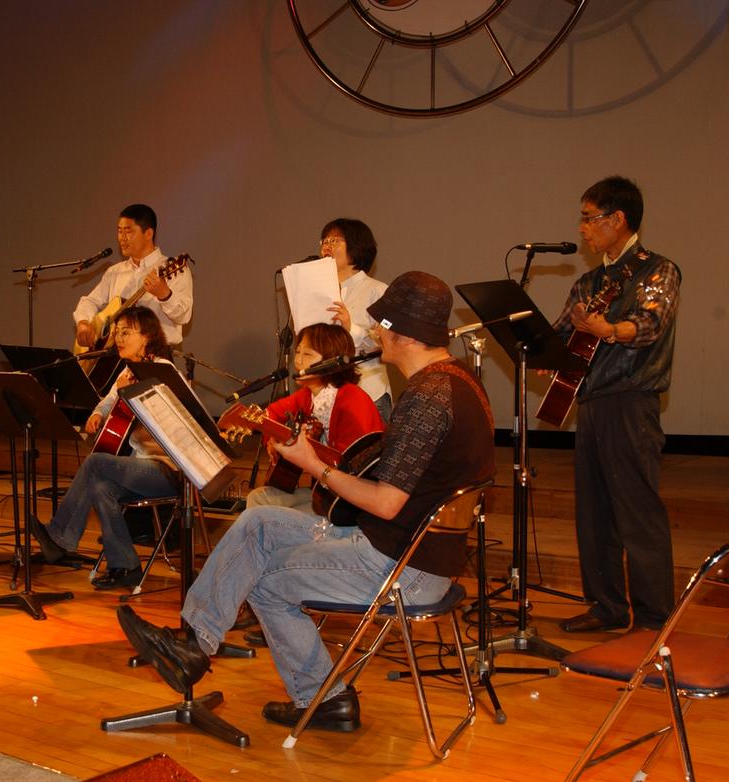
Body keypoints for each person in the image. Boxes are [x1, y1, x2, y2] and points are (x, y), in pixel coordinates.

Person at [117, 272, 496, 732]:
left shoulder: (425, 397)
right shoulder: (460, 382)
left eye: (380, 325)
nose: (374, 333)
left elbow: (386, 503)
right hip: (407, 550)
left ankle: (324, 698)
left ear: (404, 334)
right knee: (259, 523)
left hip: (405, 567)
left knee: (268, 582)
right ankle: (193, 642)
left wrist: (314, 465)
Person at [553, 176, 681, 634]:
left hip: (631, 401)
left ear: (618, 219)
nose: (583, 228)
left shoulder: (658, 270)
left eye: (590, 219)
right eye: (583, 219)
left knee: (637, 510)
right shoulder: (590, 281)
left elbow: (650, 325)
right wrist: (532, 342)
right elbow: (562, 334)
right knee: (595, 510)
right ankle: (607, 606)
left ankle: (652, 616)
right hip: (591, 403)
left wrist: (607, 329)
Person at [29, 307, 182, 590]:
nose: (119, 338)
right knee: (101, 487)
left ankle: (59, 537)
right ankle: (126, 565)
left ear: (146, 336)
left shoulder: (162, 369)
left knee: (97, 462)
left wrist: (128, 395)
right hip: (141, 466)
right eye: (117, 331)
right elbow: (107, 401)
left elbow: (167, 423)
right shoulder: (128, 370)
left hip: (168, 468)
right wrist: (97, 414)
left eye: (127, 332)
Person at [246, 322, 384, 512]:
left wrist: (307, 455)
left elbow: (353, 466)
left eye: (307, 354)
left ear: (331, 361)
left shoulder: (352, 400)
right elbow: (271, 414)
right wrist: (272, 440)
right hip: (326, 492)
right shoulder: (308, 395)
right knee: (259, 498)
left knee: (263, 513)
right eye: (299, 352)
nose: (298, 361)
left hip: (350, 504)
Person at [73, 204, 193, 351]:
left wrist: (164, 294)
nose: (122, 238)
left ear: (148, 233)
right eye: (119, 231)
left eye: (128, 231)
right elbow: (90, 301)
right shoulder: (115, 272)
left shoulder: (171, 268)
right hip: (115, 357)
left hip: (154, 356)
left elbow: (184, 317)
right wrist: (83, 323)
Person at [321, 218, 392, 421]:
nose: (327, 245)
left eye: (335, 240)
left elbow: (387, 341)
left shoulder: (378, 291)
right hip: (327, 394)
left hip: (368, 392)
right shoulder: (318, 292)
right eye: (324, 241)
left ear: (356, 246)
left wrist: (350, 327)